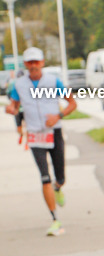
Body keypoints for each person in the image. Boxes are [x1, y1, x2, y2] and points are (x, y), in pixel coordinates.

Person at [5, 46, 77, 235]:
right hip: (35, 135)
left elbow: (72, 103)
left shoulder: (54, 82)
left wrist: (58, 116)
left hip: (54, 131)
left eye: (37, 61)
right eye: (30, 62)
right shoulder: (19, 85)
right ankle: (55, 219)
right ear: (26, 64)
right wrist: (12, 111)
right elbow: (15, 105)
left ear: (43, 62)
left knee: (60, 176)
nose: (34, 65)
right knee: (44, 177)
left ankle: (58, 186)